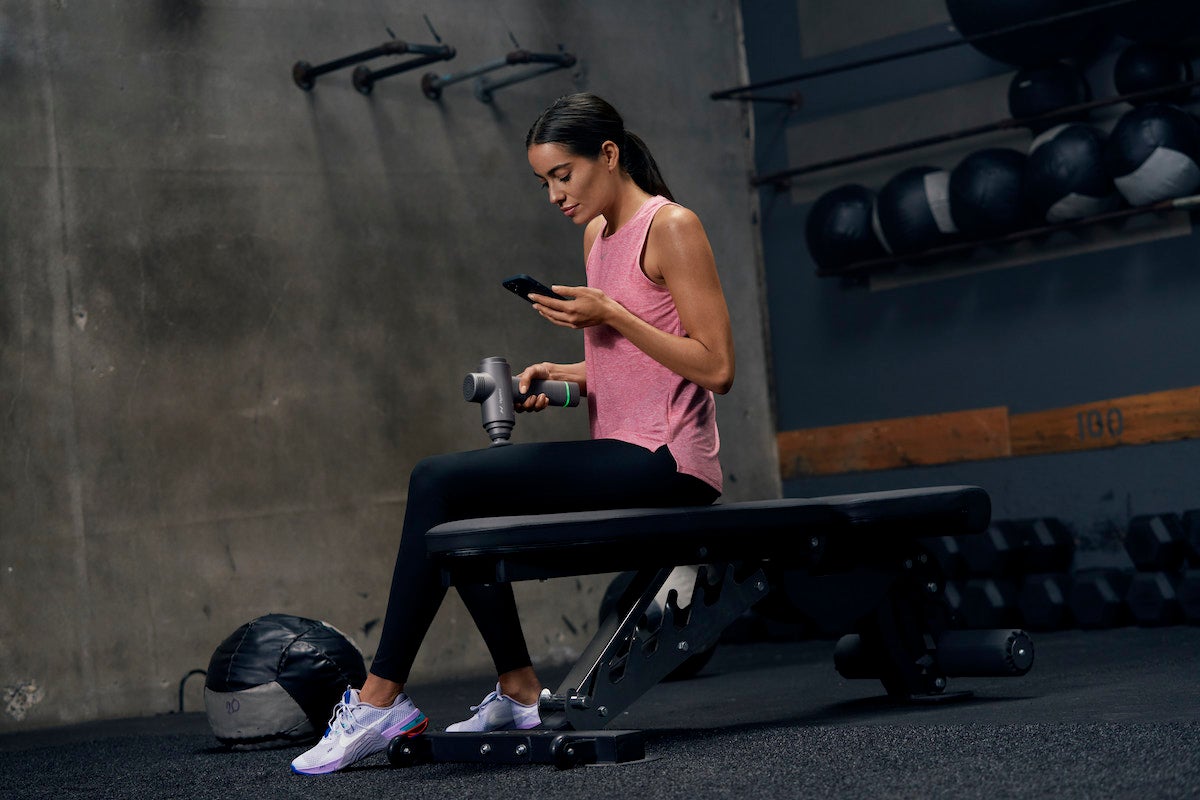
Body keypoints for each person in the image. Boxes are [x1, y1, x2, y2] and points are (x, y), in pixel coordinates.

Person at [290, 92, 735, 775]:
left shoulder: (671, 226)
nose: (555, 194)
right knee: (457, 497)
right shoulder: (597, 237)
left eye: (564, 175)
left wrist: (611, 312)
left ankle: (380, 699)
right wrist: (562, 379)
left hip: (670, 463)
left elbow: (715, 366)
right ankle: (519, 689)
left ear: (608, 155)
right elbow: (634, 370)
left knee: (439, 482)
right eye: (544, 182)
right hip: (619, 449)